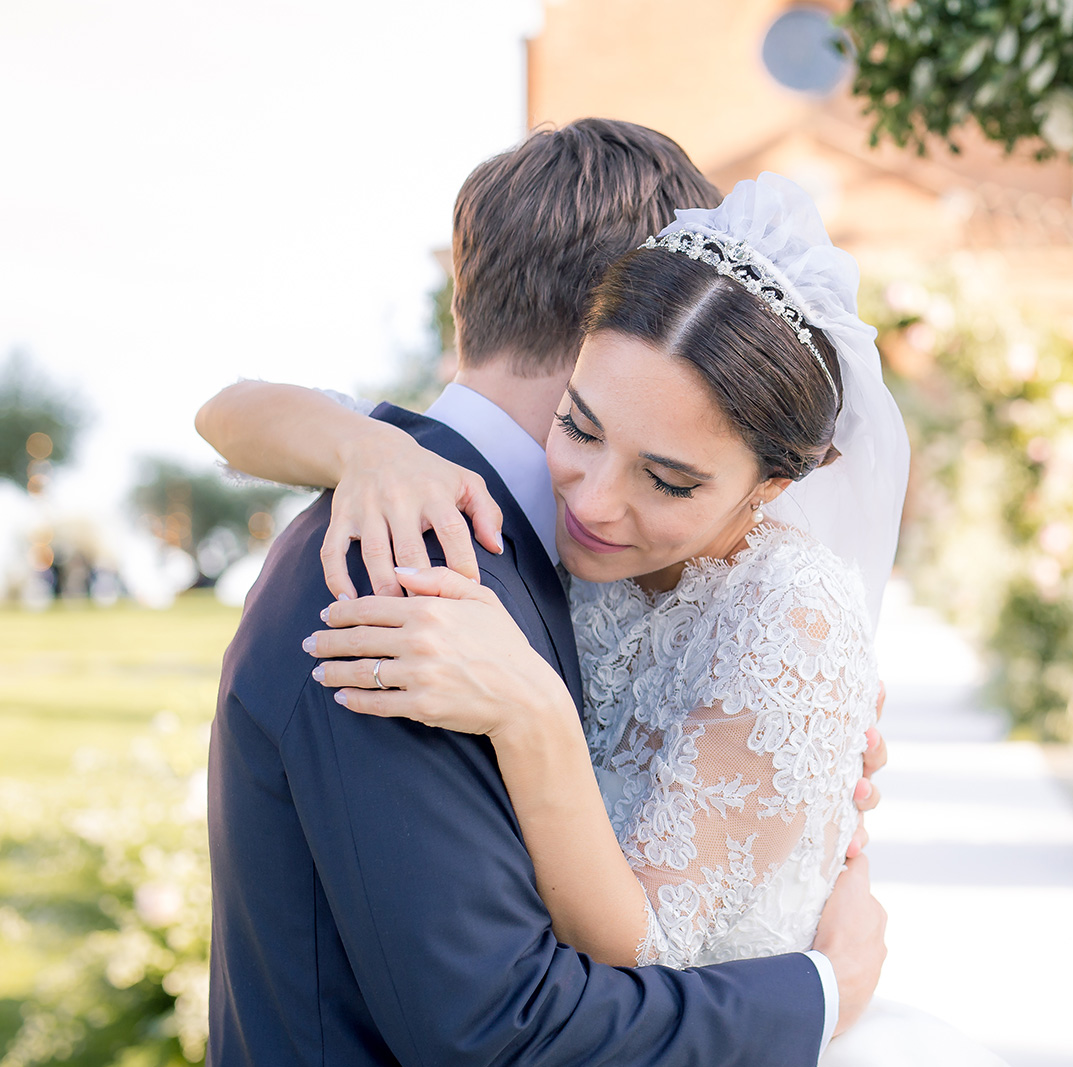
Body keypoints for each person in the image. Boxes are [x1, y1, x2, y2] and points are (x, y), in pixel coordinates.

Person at [200, 122, 887, 1067]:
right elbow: (499, 1029)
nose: (604, 495)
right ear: (622, 312)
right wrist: (819, 990)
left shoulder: (551, 540)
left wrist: (786, 771)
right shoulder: (407, 559)